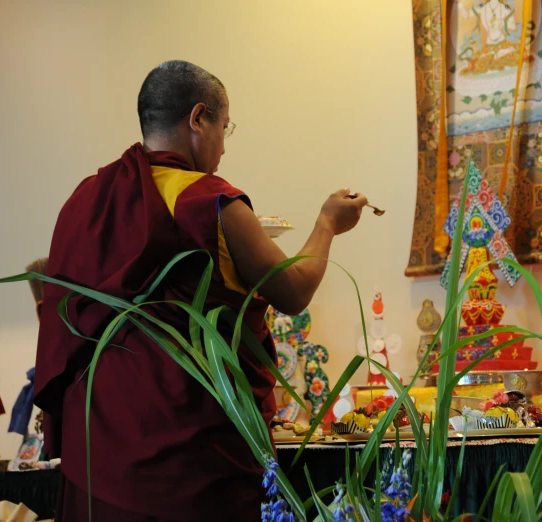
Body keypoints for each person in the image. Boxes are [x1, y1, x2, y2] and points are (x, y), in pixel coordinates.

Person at [34, 60, 368, 521]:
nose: (224, 147)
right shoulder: (209, 202)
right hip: (194, 457)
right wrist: (327, 223)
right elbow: (292, 291)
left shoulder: (85, 201)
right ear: (198, 118)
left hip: (101, 450)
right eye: (225, 127)